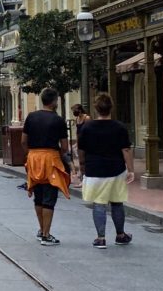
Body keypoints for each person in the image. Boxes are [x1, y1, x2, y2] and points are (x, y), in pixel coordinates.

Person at [77, 92, 135, 248]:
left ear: (96, 109)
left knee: (99, 203)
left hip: (94, 169)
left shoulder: (87, 127)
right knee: (117, 202)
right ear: (111, 108)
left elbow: (81, 149)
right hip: (116, 169)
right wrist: (131, 169)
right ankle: (120, 235)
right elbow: (126, 150)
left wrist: (81, 167)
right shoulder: (120, 127)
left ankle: (100, 238)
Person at [22, 87, 73, 245]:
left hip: (34, 158)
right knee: (49, 197)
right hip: (51, 158)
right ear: (54, 102)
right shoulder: (58, 120)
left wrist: (30, 155)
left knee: (38, 196)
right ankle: (46, 234)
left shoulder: (31, 117)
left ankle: (41, 230)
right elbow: (64, 146)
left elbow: (23, 141)